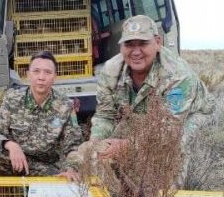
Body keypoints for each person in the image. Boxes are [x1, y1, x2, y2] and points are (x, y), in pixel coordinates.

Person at [88, 14, 215, 185]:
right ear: (121, 47)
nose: (136, 51)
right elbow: (105, 115)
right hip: (145, 112)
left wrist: (125, 146)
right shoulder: (110, 71)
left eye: (143, 43)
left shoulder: (177, 76)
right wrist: (95, 145)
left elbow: (169, 130)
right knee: (108, 151)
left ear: (158, 42)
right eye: (129, 44)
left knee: (172, 149)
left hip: (190, 116)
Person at [0, 51, 83, 180]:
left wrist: (72, 169)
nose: (41, 77)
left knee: (61, 185)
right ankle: (5, 196)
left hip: (46, 165)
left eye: (48, 72)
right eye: (36, 71)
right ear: (28, 75)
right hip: (15, 159)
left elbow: (74, 144)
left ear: (54, 77)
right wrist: (11, 145)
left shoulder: (66, 106)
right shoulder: (13, 99)